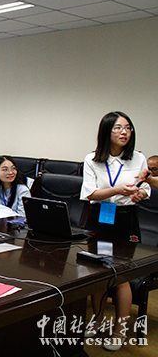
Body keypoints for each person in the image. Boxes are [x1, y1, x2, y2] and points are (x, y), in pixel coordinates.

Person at [80, 111, 150, 351]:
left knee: (121, 277)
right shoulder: (92, 159)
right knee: (97, 273)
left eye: (128, 128)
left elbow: (146, 189)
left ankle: (119, 330)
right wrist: (118, 189)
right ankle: (97, 319)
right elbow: (90, 193)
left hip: (125, 219)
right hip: (99, 216)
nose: (124, 132)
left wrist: (140, 193)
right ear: (106, 131)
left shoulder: (138, 158)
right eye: (118, 128)